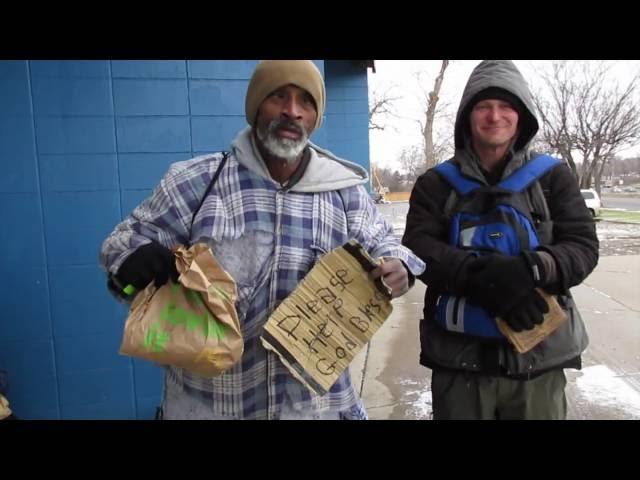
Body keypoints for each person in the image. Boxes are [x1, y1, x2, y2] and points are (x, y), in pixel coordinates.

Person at [100, 60, 425, 420]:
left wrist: (400, 268)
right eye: (278, 97)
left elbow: (388, 246)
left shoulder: (343, 192)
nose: (292, 111)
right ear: (255, 106)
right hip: (211, 405)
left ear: (316, 117)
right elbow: (122, 246)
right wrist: (133, 260)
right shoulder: (196, 182)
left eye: (306, 102)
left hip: (315, 409)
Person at [402, 60, 598, 420]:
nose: (495, 116)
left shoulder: (553, 177)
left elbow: (583, 247)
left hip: (537, 367)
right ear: (467, 116)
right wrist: (480, 275)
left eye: (506, 105)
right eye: (483, 106)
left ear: (522, 116)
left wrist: (531, 269)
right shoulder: (436, 183)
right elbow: (417, 247)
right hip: (458, 367)